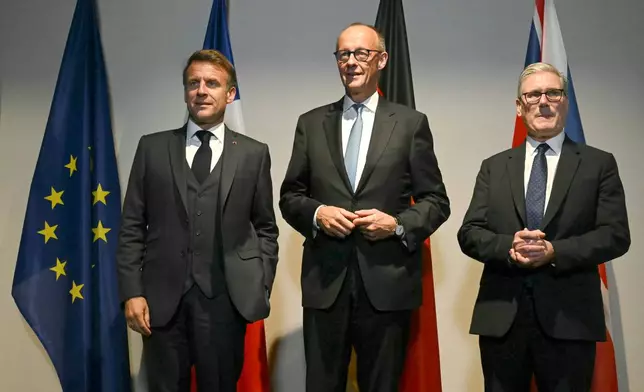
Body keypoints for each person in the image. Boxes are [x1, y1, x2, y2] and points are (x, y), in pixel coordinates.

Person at [279, 23, 450, 392]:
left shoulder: (410, 124)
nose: (352, 62)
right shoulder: (310, 124)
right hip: (326, 285)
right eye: (344, 55)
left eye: (362, 54)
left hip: (387, 285)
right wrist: (317, 214)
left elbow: (437, 201)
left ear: (382, 59)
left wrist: (399, 225)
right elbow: (290, 196)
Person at [457, 62, 630, 392]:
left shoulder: (598, 164)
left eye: (553, 92)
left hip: (570, 320)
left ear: (565, 102)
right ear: (519, 106)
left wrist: (555, 252)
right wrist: (509, 246)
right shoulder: (494, 167)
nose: (544, 101)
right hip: (502, 320)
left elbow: (616, 235)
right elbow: (470, 232)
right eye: (534, 94)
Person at [116, 49, 279, 392]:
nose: (201, 90)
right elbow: (131, 225)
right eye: (194, 83)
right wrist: (132, 291)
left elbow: (265, 227)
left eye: (212, 83)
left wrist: (259, 282)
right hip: (161, 303)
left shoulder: (253, 153)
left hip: (225, 301)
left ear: (229, 93)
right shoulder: (152, 148)